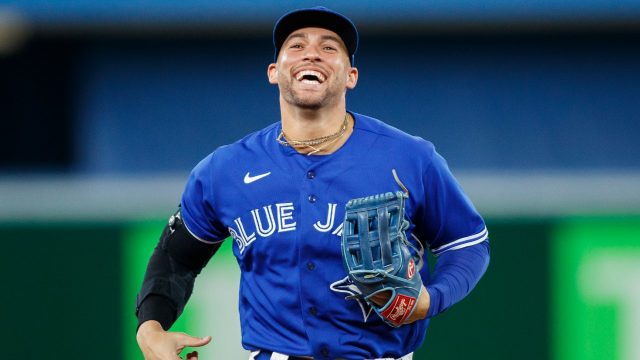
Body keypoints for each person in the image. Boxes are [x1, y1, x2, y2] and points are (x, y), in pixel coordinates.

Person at [135, 6, 490, 360]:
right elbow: (176, 257)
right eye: (297, 45)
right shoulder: (225, 170)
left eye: (330, 47)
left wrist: (432, 298)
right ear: (274, 72)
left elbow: (467, 244)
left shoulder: (409, 158)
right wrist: (151, 328)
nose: (312, 53)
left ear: (351, 75)